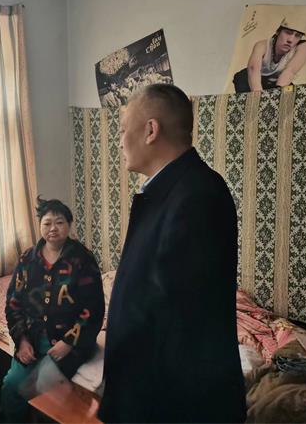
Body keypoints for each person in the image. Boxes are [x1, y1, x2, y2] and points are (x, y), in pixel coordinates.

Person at [98, 84, 246, 423]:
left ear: (151, 130)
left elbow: (175, 313)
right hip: (151, 391)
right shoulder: (169, 191)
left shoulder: (197, 195)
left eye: (123, 130)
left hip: (175, 402)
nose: (119, 141)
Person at [1, 197, 104, 423]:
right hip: (32, 337)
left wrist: (69, 343)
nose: (53, 228)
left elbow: (93, 308)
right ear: (39, 226)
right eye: (47, 223)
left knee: (44, 385)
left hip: (69, 343)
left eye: (59, 222)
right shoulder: (28, 259)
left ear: (69, 225)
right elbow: (13, 303)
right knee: (11, 385)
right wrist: (22, 340)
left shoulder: (82, 259)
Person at [233, 17, 306, 92]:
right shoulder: (262, 45)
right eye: (288, 32)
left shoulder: (303, 46)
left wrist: (276, 94)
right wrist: (258, 96)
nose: (290, 40)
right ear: (278, 32)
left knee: (291, 91)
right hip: (256, 79)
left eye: (297, 36)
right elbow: (253, 69)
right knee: (241, 77)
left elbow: (290, 71)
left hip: (278, 82)